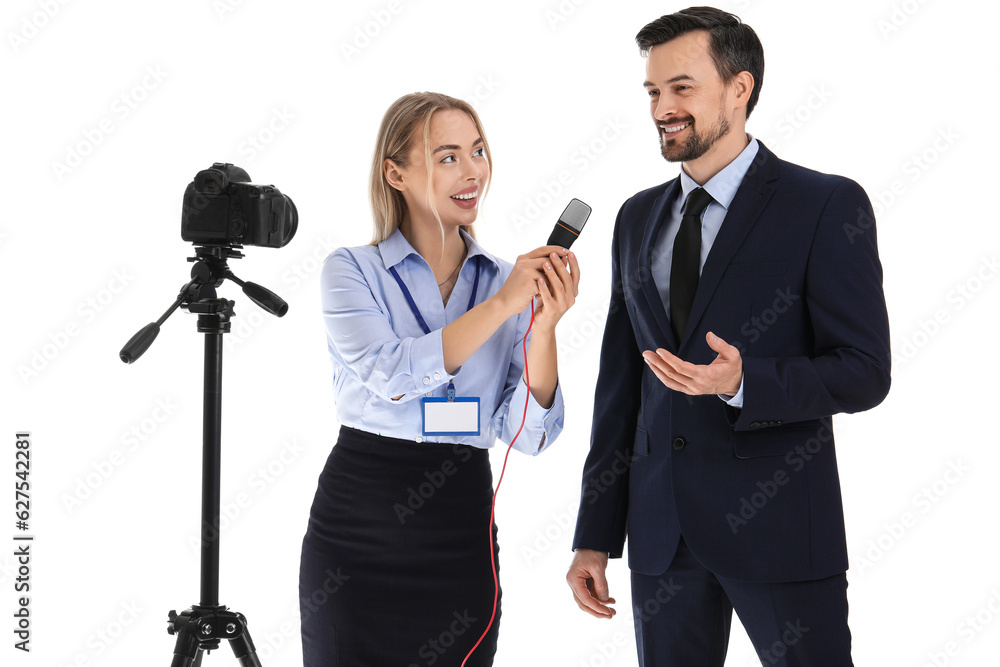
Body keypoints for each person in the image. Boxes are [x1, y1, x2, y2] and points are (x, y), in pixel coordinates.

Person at [566, 7, 890, 666]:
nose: (662, 107)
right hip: (661, 540)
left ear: (738, 89)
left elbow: (863, 370)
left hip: (779, 533)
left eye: (681, 88)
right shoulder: (634, 218)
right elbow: (618, 390)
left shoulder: (825, 205)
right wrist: (594, 534)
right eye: (654, 92)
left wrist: (745, 383)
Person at [299, 92, 580, 666]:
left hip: (460, 530)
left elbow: (528, 436)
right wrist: (504, 306)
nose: (473, 170)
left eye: (478, 151)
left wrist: (544, 329)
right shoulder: (351, 270)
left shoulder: (510, 283)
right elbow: (393, 376)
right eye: (448, 156)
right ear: (395, 172)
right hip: (360, 527)